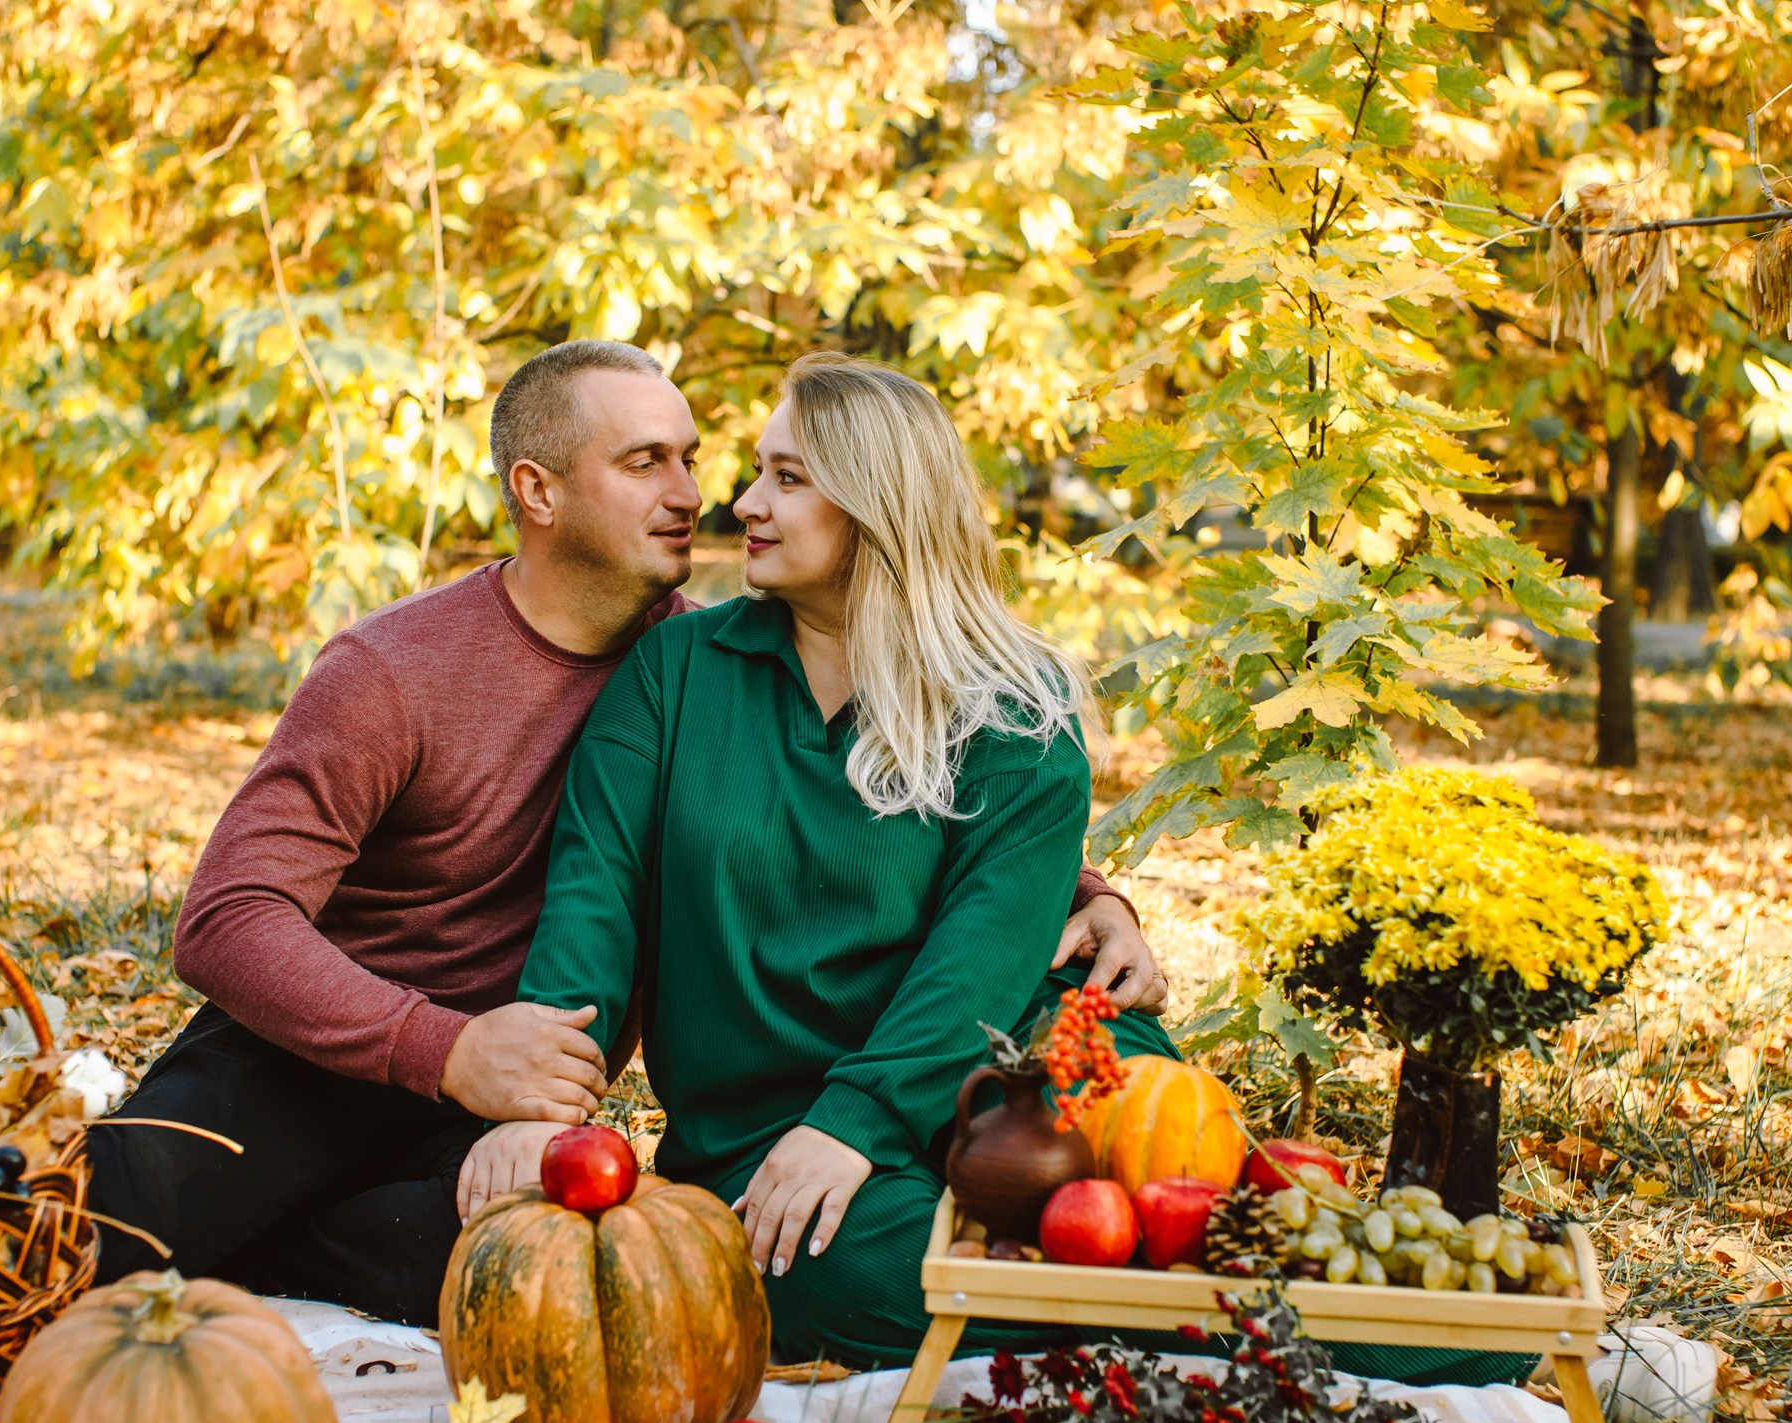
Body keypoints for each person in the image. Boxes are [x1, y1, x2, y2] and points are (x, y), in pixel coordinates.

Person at [84, 340, 1167, 1327]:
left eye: (709, 461)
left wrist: (1080, 891)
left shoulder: (719, 656)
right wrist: (470, 1058)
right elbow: (231, 917)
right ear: (538, 491)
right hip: (342, 1042)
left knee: (535, 1270)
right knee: (106, 1228)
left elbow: (924, 839)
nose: (706, 496)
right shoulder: (408, 672)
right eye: (649, 461)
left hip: (570, 1062)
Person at [503, 353, 1180, 1371]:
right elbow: (591, 902)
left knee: (1177, 1195)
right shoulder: (676, 673)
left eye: (788, 477)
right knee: (843, 1268)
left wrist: (857, 1121)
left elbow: (983, 956)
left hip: (1004, 1085)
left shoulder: (1014, 709)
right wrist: (541, 1112)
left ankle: (1373, 1313)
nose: (741, 503)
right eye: (757, 472)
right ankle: (1189, 1306)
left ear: (876, 504)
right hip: (763, 1140)